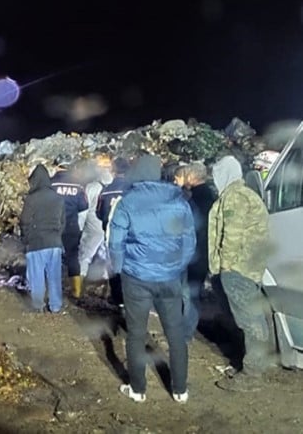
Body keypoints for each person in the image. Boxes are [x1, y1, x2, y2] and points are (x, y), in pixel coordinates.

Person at [109, 155, 195, 404]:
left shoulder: (127, 202)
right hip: (170, 277)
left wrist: (120, 268)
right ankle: (180, 389)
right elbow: (189, 242)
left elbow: (115, 243)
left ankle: (138, 389)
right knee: (175, 333)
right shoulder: (179, 201)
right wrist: (177, 267)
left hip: (136, 278)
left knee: (136, 334)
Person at [209, 155, 272, 393]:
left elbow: (232, 236)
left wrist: (226, 266)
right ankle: (250, 363)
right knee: (249, 319)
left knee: (250, 321)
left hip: (238, 270)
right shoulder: (244, 195)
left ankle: (253, 374)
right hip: (247, 268)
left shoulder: (234, 197)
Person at [173, 163, 218, 342]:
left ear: (192, 177)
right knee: (189, 292)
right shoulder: (210, 196)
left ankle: (185, 334)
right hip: (200, 252)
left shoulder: (196, 198)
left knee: (189, 294)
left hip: (194, 253)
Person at [20, 164, 66, 313]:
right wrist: (57, 235)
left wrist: (27, 238)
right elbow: (63, 221)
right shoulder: (58, 197)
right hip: (54, 243)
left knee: (37, 276)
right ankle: (56, 306)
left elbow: (25, 221)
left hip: (36, 243)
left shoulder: (31, 198)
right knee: (54, 276)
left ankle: (38, 305)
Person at [51, 157, 89, 299]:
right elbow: (83, 206)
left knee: (53, 257)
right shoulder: (78, 185)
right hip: (71, 225)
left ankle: (54, 290)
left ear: (57, 166)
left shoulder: (51, 183)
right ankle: (76, 292)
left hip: (53, 225)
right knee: (73, 257)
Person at [97, 157, 130, 306]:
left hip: (111, 235)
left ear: (113, 171)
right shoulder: (133, 189)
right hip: (131, 235)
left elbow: (99, 213)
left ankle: (118, 299)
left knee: (113, 266)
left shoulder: (106, 190)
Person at [77, 159, 113, 294]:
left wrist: (79, 227)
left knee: (85, 255)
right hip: (110, 225)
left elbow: (84, 210)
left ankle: (78, 287)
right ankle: (106, 289)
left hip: (94, 224)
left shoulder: (91, 187)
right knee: (107, 257)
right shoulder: (114, 188)